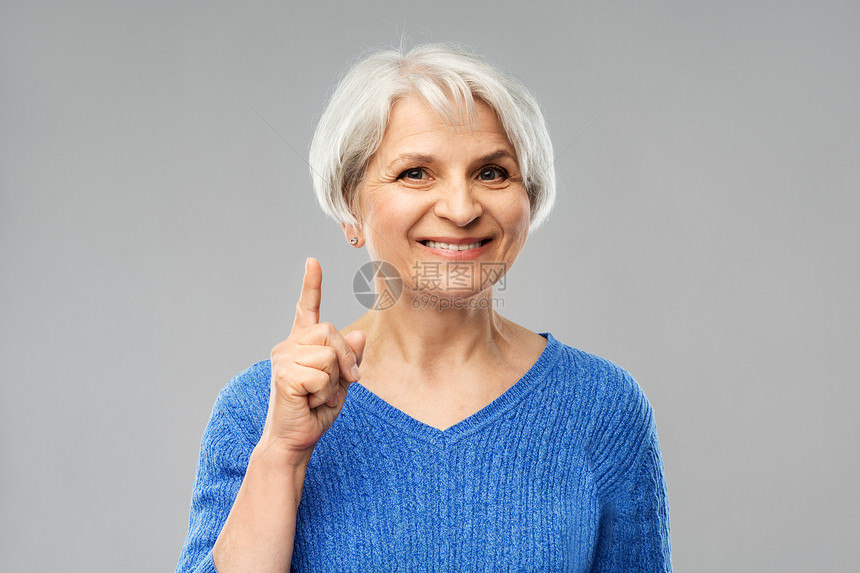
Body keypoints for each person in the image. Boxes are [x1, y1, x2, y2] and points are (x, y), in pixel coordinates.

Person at [176, 42, 671, 572]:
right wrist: (280, 456)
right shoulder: (261, 410)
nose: (461, 209)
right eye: (416, 173)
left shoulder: (603, 407)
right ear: (350, 208)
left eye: (492, 173)